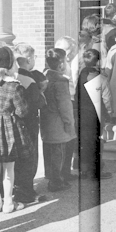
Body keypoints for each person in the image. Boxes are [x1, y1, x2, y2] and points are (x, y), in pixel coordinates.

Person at [0, 47, 28, 213]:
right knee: (9, 169)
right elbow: (21, 111)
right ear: (10, 65)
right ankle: (8, 202)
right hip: (9, 129)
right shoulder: (14, 86)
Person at [12, 43, 47, 203]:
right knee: (29, 157)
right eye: (33, 57)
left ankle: (15, 188)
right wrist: (41, 91)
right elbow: (38, 102)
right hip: (29, 123)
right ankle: (27, 192)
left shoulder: (13, 76)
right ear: (28, 59)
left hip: (13, 123)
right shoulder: (30, 80)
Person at [41, 48, 77, 192]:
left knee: (49, 151)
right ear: (61, 63)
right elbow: (65, 106)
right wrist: (69, 123)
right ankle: (57, 181)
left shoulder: (45, 76)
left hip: (46, 121)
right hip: (59, 122)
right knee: (59, 152)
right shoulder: (61, 81)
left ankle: (54, 176)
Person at [76, 49, 113, 180]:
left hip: (81, 114)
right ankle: (96, 170)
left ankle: (84, 169)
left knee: (84, 142)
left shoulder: (80, 75)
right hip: (96, 114)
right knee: (97, 143)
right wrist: (109, 115)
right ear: (98, 61)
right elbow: (107, 99)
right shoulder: (101, 78)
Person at [54, 36, 79, 181]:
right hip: (68, 101)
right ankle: (63, 172)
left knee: (68, 138)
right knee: (68, 137)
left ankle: (63, 171)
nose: (68, 54)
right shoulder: (64, 66)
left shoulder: (68, 63)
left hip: (70, 100)